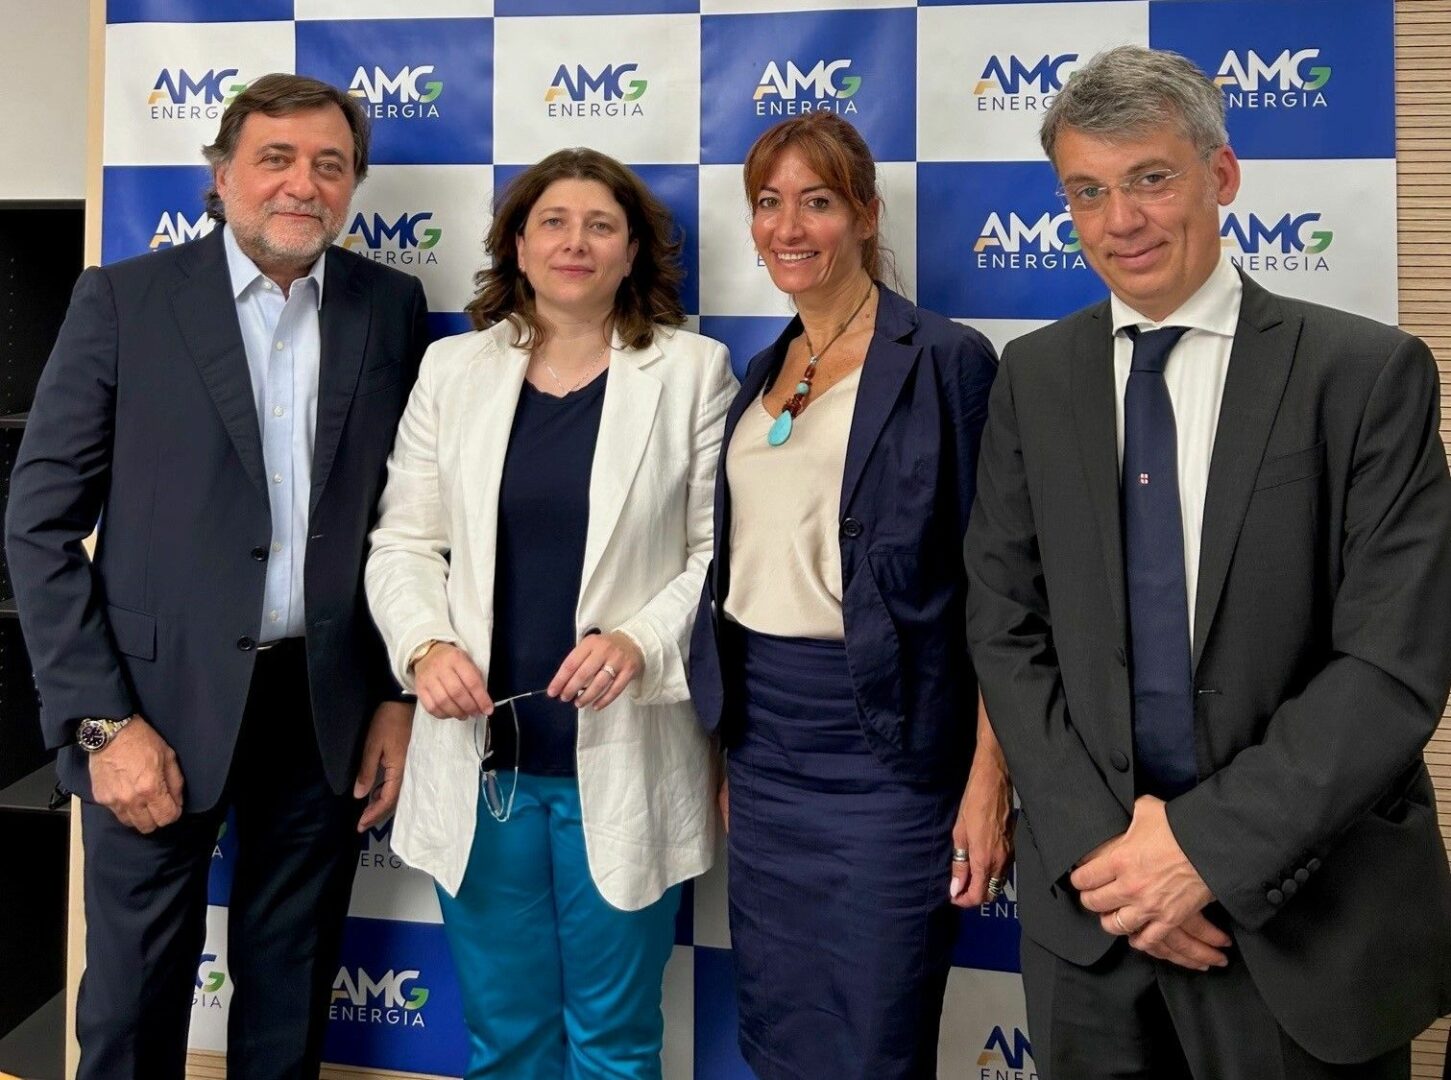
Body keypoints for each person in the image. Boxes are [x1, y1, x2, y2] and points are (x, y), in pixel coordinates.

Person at [964, 44, 1451, 1080]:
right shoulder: (1031, 377)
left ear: (1219, 176)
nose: (1119, 220)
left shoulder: (1364, 374)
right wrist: (1109, 858)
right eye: (1086, 191)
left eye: (1149, 178)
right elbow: (1004, 624)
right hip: (1094, 923)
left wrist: (1200, 855)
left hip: (1302, 921)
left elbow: (1390, 664)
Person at [4, 74, 430, 1078]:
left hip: (323, 708)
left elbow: (412, 518)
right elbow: (38, 524)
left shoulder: (388, 306)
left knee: (290, 998)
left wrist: (395, 695)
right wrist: (101, 723)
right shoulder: (123, 299)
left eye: (330, 164)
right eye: (276, 158)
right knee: (133, 1002)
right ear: (223, 174)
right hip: (151, 706)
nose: (302, 184)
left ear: (353, 185)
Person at [365, 147, 735, 1079]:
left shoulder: (694, 372)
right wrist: (424, 646)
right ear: (518, 247)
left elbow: (717, 555)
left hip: (624, 756)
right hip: (482, 767)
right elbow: (403, 541)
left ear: (631, 252)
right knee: (505, 1040)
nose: (576, 242)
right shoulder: (452, 369)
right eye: (553, 223)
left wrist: (640, 641)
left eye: (600, 225)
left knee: (614, 1043)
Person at [687, 112, 1011, 1079]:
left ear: (866, 215)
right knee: (781, 1025)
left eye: (817, 201)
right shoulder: (761, 369)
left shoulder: (947, 359)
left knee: (874, 1035)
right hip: (766, 746)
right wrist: (727, 748)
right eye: (768, 202)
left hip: (891, 751)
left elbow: (1000, 589)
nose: (788, 226)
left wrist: (988, 779)